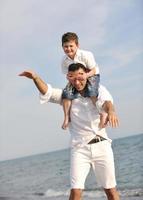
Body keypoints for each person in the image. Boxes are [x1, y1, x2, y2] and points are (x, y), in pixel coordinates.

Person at [19, 63, 120, 200]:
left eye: (81, 78)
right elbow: (47, 92)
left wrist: (112, 111)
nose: (77, 82)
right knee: (76, 190)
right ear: (68, 78)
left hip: (101, 145)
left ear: (86, 74)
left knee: (110, 190)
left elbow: (107, 102)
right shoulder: (66, 96)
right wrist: (36, 78)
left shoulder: (98, 89)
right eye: (73, 79)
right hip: (80, 149)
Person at [61, 32, 101, 130]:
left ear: (77, 45)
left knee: (91, 91)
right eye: (66, 46)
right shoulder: (64, 60)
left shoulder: (86, 55)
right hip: (74, 79)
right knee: (66, 94)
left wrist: (85, 76)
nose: (68, 49)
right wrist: (72, 80)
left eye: (71, 46)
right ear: (62, 47)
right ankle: (66, 117)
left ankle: (101, 112)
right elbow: (67, 74)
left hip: (90, 75)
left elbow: (94, 70)